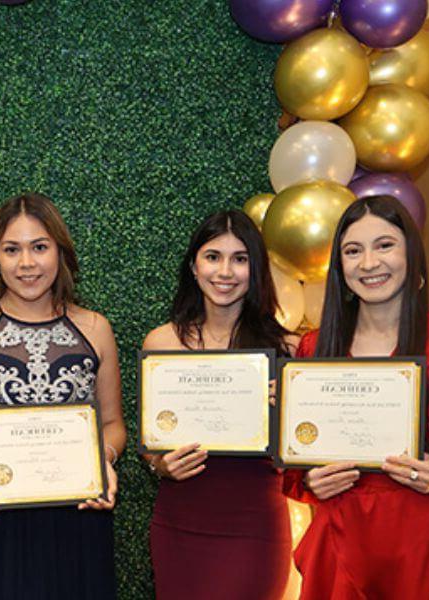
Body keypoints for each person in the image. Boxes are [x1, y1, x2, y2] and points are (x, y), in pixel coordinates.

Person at [285, 195, 429, 600]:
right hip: (336, 541)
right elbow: (293, 464)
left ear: (411, 253)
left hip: (418, 543)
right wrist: (309, 481)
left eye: (385, 245)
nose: (369, 263)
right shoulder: (313, 349)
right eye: (353, 251)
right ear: (339, 266)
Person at [0, 193, 125, 600]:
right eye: (12, 249)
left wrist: (104, 460)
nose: (26, 263)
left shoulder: (94, 328)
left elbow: (112, 425)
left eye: (39, 247)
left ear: (60, 252)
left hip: (76, 517)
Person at [141, 210, 294, 600]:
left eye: (240, 259)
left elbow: (301, 455)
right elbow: (153, 441)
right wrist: (160, 464)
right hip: (180, 519)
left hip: (255, 525)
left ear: (255, 269)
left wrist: (286, 420)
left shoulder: (288, 349)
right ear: (194, 266)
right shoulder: (161, 344)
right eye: (213, 256)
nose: (225, 271)